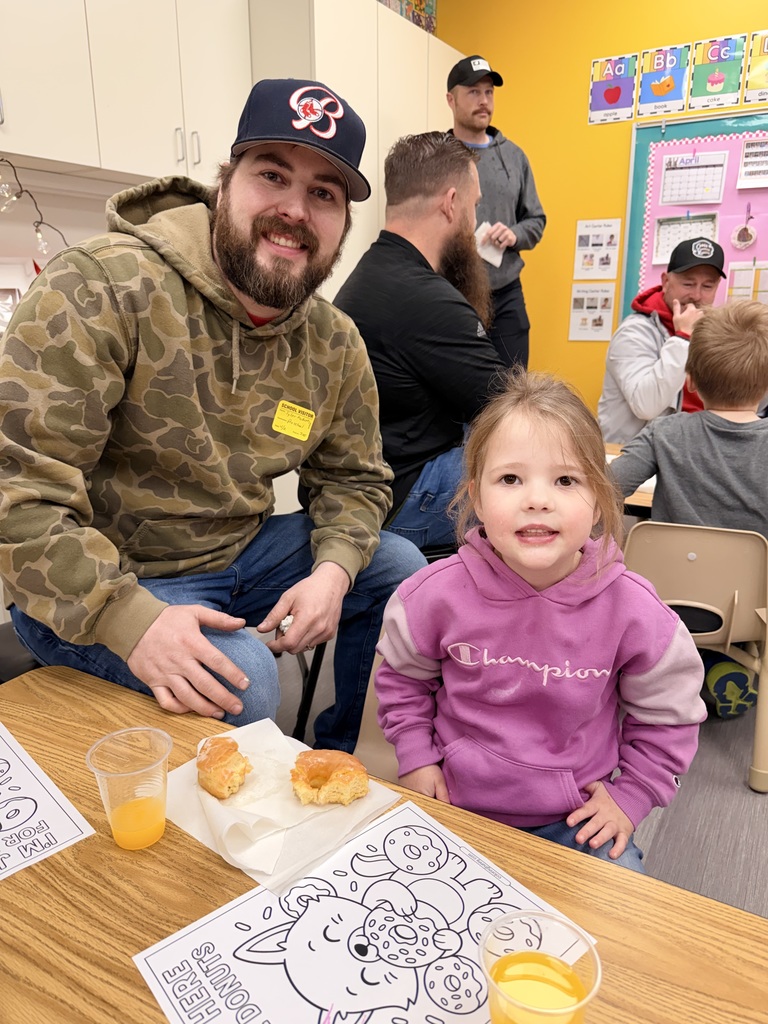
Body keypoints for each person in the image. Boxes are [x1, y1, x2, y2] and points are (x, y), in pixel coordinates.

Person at [0, 78, 426, 752]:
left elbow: (355, 480)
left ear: (343, 223)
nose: (293, 209)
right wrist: (129, 618)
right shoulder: (101, 286)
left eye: (324, 193)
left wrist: (333, 571)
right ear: (225, 182)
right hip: (110, 572)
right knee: (247, 680)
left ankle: (339, 761)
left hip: (241, 555)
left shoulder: (334, 341)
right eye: (272, 175)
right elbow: (16, 496)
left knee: (401, 570)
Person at [375, 370, 706, 871]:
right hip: (451, 804)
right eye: (510, 479)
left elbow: (669, 717)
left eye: (566, 480)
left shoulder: (636, 612)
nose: (537, 499)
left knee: (614, 933)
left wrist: (632, 796)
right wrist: (417, 756)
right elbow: (401, 681)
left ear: (598, 499)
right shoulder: (431, 595)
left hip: (574, 821)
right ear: (476, 496)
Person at [334, 132, 502, 551]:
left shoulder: (369, 276)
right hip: (402, 500)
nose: (474, 219)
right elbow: (507, 402)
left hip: (369, 484)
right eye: (474, 205)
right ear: (450, 203)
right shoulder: (425, 299)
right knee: (537, 457)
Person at [610, 300, 768, 719]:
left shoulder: (666, 431)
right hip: (750, 612)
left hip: (661, 601)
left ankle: (672, 673)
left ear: (691, 380)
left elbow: (606, 489)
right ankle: (722, 665)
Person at [446, 55, 546, 368]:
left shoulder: (515, 157)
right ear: (451, 99)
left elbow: (536, 220)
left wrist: (514, 234)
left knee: (512, 390)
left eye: (489, 92)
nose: (484, 101)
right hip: (451, 293)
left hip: (506, 295)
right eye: (473, 92)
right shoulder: (436, 156)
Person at [598, 237, 725, 444]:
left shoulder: (715, 332)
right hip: (634, 457)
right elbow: (646, 405)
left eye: (708, 286)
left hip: (695, 452)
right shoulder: (634, 332)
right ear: (666, 282)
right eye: (688, 284)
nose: (696, 295)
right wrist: (683, 338)